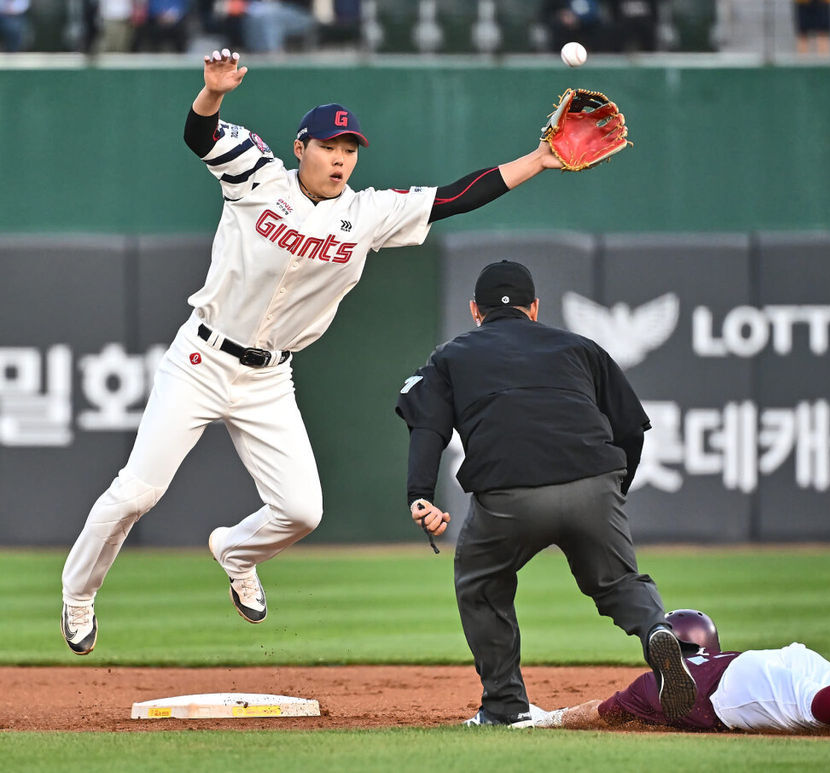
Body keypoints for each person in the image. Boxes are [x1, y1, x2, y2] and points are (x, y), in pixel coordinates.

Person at [59, 49, 566, 656]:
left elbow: (456, 197)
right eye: (330, 146)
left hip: (270, 378)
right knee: (138, 491)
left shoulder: (367, 213)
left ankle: (235, 553)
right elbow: (200, 134)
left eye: (350, 150)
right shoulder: (256, 174)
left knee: (301, 511)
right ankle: (79, 596)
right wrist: (212, 94)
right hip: (201, 358)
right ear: (301, 147)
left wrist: (539, 159)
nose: (341, 159)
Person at [394, 260, 697, 727]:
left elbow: (427, 425)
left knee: (482, 584)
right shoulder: (580, 347)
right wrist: (613, 490)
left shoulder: (450, 356)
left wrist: (420, 493)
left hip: (509, 497)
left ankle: (504, 706)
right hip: (593, 482)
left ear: (475, 310)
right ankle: (658, 630)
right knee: (619, 583)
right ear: (534, 308)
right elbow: (632, 428)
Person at [524, 608, 830, 732]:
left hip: (736, 690)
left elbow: (601, 713)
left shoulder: (652, 684)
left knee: (813, 710)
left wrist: (552, 718)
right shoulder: (722, 654)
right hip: (783, 656)